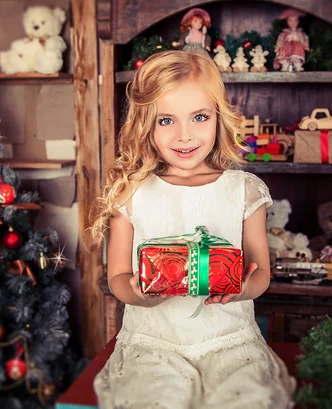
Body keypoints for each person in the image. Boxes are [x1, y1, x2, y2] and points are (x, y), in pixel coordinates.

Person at [87, 50, 296, 409]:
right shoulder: (132, 192)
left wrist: (245, 286)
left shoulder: (243, 190)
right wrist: (141, 295)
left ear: (218, 117)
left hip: (229, 340)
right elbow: (118, 277)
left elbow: (262, 272)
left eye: (199, 117)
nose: (185, 136)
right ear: (145, 124)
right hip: (153, 344)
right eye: (166, 120)